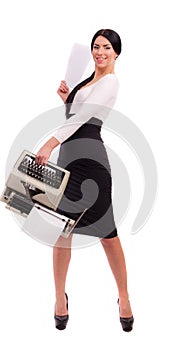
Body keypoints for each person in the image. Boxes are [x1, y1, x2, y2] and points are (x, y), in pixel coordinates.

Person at [35, 29, 134, 332]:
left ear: (116, 53)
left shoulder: (111, 81)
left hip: (91, 160)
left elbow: (84, 120)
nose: (99, 51)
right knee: (62, 231)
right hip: (70, 159)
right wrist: (69, 100)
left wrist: (50, 143)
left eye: (106, 47)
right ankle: (59, 299)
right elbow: (75, 116)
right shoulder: (88, 81)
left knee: (108, 233)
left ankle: (124, 296)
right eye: (95, 46)